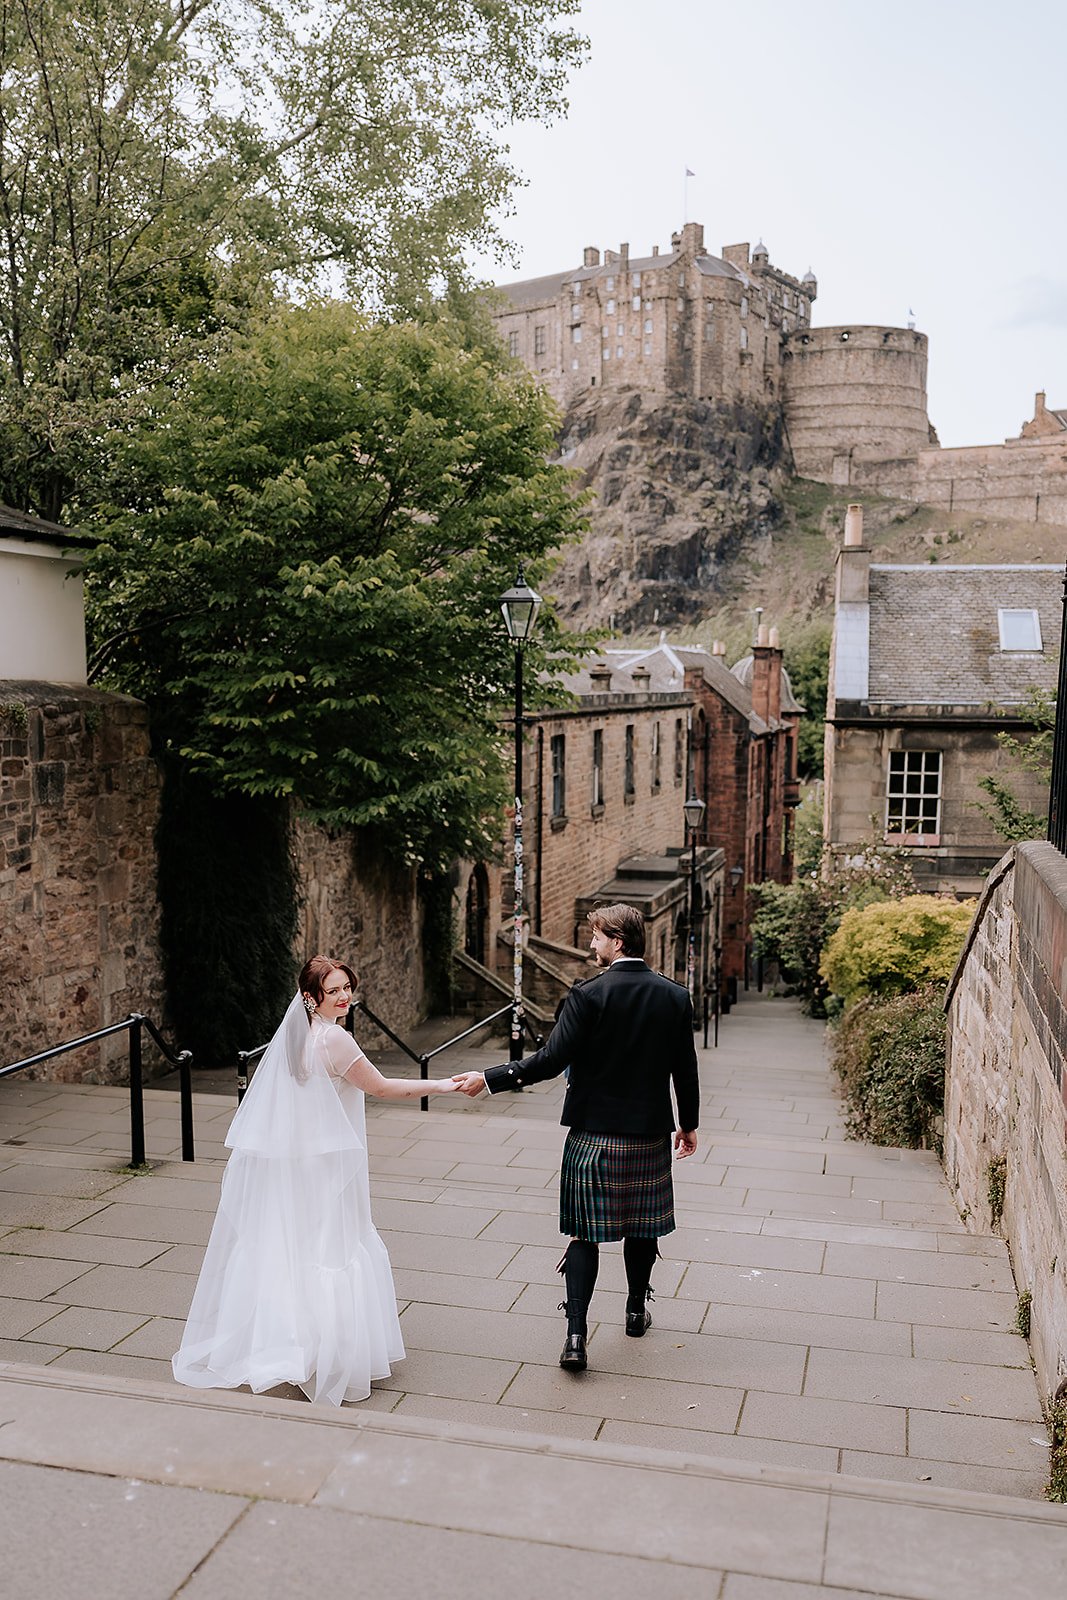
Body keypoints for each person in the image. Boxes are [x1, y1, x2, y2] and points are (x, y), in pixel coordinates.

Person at [173, 955, 458, 1405]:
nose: (345, 996)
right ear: (311, 997)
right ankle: (331, 1354)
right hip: (329, 1165)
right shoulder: (335, 1041)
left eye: (347, 987)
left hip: (300, 1161)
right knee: (334, 1246)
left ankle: (297, 1345)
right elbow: (381, 1087)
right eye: (335, 990)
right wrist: (443, 1086)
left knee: (299, 1247)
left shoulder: (295, 1036)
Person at [454, 903, 698, 1372]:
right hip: (647, 1138)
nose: (591, 945)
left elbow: (547, 1061)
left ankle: (575, 1338)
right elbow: (685, 1072)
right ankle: (633, 1311)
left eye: (597, 937)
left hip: (592, 1138)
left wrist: (491, 1078)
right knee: (642, 1227)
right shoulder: (674, 996)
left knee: (584, 1235)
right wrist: (687, 1125)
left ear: (618, 942)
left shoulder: (587, 995)